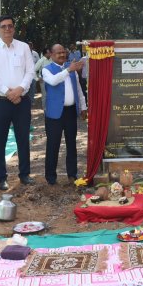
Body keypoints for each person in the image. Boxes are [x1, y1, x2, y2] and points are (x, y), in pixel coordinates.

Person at [0, 15, 35, 190]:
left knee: (23, 139)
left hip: (21, 101)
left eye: (10, 26)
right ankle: (1, 177)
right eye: (4, 26)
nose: (7, 29)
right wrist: (8, 92)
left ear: (14, 28)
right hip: (0, 101)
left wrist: (19, 90)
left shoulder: (23, 48)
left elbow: (30, 72)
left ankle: (24, 174)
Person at [41, 44, 87, 185]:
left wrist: (83, 107)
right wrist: (69, 70)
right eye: (58, 53)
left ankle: (72, 175)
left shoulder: (71, 68)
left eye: (63, 52)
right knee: (53, 145)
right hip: (54, 114)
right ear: (51, 54)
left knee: (71, 144)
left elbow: (78, 89)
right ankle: (51, 178)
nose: (62, 55)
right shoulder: (46, 69)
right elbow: (53, 81)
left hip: (70, 112)